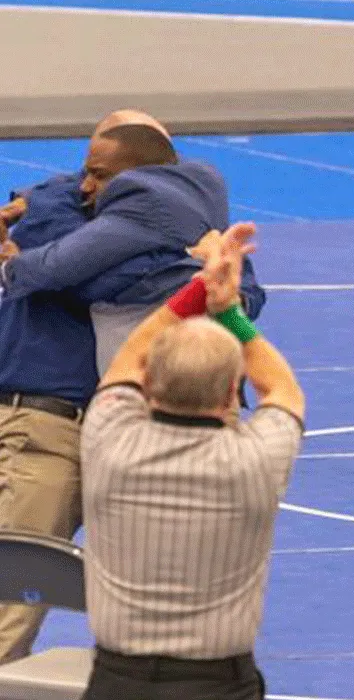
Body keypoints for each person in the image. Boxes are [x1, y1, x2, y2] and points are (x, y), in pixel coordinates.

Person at [80, 223, 304, 700]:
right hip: (218, 683)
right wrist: (229, 310)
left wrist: (199, 288)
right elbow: (281, 388)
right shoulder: (255, 461)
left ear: (150, 386)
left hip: (117, 681)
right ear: (231, 392)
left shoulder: (108, 439)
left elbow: (131, 354)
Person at [0, 173, 212, 664]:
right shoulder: (53, 233)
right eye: (86, 176)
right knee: (11, 603)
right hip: (46, 426)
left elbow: (243, 292)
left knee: (148, 602)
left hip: (104, 432)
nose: (88, 185)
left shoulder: (52, 244)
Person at [0, 109, 266, 374]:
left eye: (98, 174)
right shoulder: (200, 193)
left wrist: (9, 263)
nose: (84, 186)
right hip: (213, 382)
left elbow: (57, 268)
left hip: (150, 385)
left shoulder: (137, 205)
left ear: (140, 172)